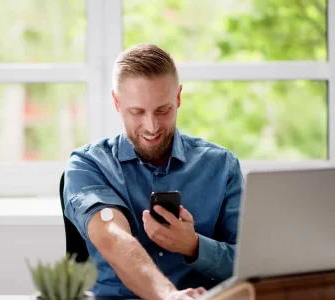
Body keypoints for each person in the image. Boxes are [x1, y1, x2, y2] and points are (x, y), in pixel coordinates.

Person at [63, 43, 243, 300]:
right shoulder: (88, 165)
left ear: (178, 98)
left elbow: (247, 263)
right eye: (137, 112)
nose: (152, 126)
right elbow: (112, 235)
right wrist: (169, 296)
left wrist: (194, 246)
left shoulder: (222, 167)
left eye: (163, 110)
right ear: (117, 101)